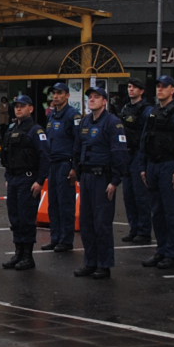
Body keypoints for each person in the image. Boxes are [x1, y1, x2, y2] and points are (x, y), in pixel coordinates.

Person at [70, 84, 129, 278]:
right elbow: (78, 148)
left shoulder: (113, 123)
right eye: (90, 97)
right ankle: (90, 262)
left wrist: (115, 180)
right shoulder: (85, 122)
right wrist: (77, 171)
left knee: (102, 223)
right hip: (86, 177)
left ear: (105, 101)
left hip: (103, 178)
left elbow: (119, 153)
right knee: (86, 223)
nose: (92, 100)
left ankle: (104, 264)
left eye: (96, 97)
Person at [139, 74, 174, 269]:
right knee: (157, 212)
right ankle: (161, 250)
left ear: (173, 89)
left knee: (172, 213)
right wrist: (143, 167)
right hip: (154, 165)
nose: (160, 89)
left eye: (164, 86)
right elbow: (145, 140)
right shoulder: (153, 112)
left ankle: (173, 254)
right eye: (158, 86)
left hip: (170, 165)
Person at [0, 92, 47, 269]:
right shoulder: (12, 129)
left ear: (31, 109)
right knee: (15, 218)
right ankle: (18, 253)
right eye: (17, 106)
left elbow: (44, 157)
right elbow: (6, 155)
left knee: (26, 218)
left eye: (22, 106)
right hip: (13, 178)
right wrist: (8, 176)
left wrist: (40, 181)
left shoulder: (36, 130)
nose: (18, 109)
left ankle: (28, 256)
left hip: (28, 179)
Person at [42, 80, 78, 252]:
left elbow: (78, 142)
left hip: (65, 163)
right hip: (53, 164)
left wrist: (75, 167)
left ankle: (66, 239)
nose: (56, 96)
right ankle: (55, 237)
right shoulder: (51, 115)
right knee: (53, 204)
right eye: (54, 93)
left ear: (67, 95)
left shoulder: (73, 116)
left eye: (60, 93)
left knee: (65, 204)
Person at [117, 75, 152, 243]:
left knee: (140, 195)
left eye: (134, 87)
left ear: (141, 91)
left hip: (138, 153)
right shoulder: (125, 108)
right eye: (129, 87)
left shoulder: (146, 110)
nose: (130, 89)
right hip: (127, 153)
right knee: (128, 195)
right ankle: (134, 228)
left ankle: (144, 231)